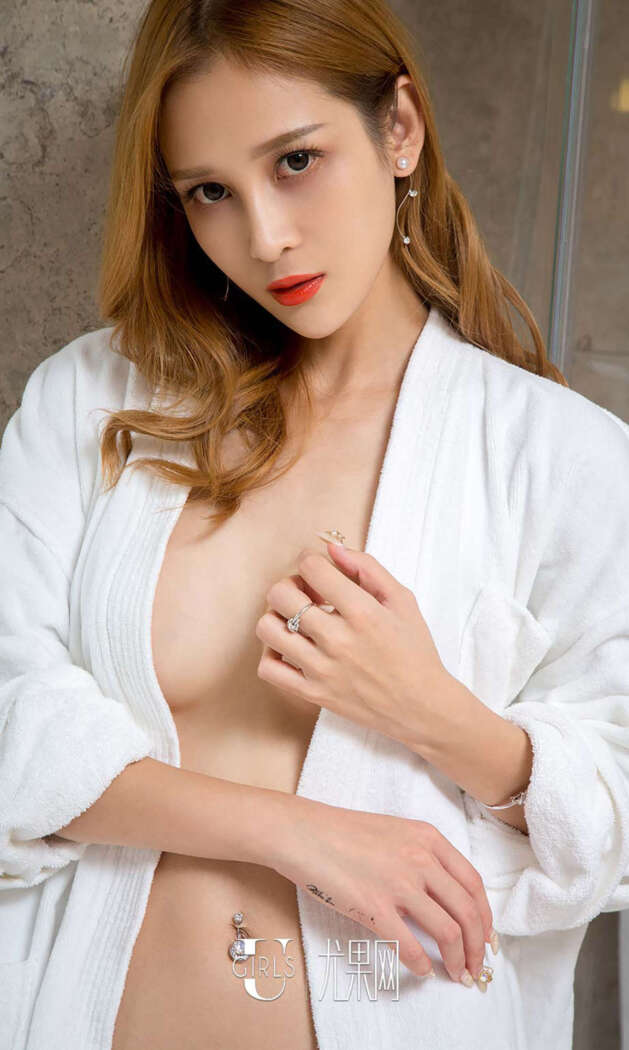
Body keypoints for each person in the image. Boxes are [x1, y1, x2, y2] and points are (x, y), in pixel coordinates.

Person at [1, 1, 629, 1049]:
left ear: (399, 129)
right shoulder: (93, 402)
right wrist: (297, 833)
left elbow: (614, 821)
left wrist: (434, 712)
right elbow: (7, 712)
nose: (263, 237)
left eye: (295, 162)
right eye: (209, 191)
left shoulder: (560, 457)